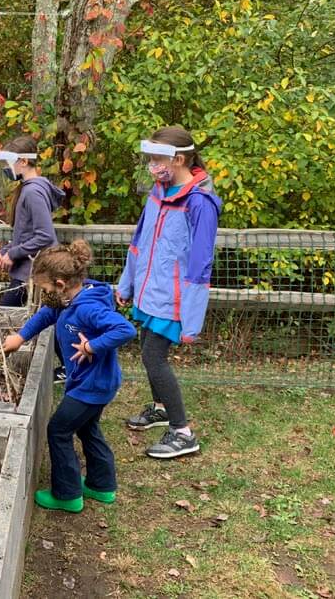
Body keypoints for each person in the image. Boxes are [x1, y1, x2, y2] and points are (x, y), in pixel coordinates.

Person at [3, 241, 136, 513]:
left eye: (46, 289)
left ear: (61, 284)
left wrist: (91, 346)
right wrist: (20, 337)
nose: (44, 294)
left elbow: (125, 330)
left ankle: (67, 494)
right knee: (87, 429)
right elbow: (47, 314)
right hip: (90, 382)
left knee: (58, 430)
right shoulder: (69, 300)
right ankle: (101, 485)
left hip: (92, 386)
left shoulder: (86, 308)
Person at [116, 126, 221, 459]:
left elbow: (201, 263)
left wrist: (191, 319)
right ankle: (160, 408)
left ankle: (183, 432)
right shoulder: (158, 192)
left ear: (178, 159)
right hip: (149, 290)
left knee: (152, 357)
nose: (152, 164)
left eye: (157, 158)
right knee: (147, 347)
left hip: (173, 298)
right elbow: (140, 240)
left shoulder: (200, 202)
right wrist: (127, 283)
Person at [0, 136, 64, 308]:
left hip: (33, 273)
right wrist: (6, 251)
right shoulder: (28, 189)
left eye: (9, 162)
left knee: (5, 316)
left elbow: (45, 236)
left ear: (23, 161)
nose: (6, 168)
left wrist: (13, 254)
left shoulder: (33, 192)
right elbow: (26, 233)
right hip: (26, 271)